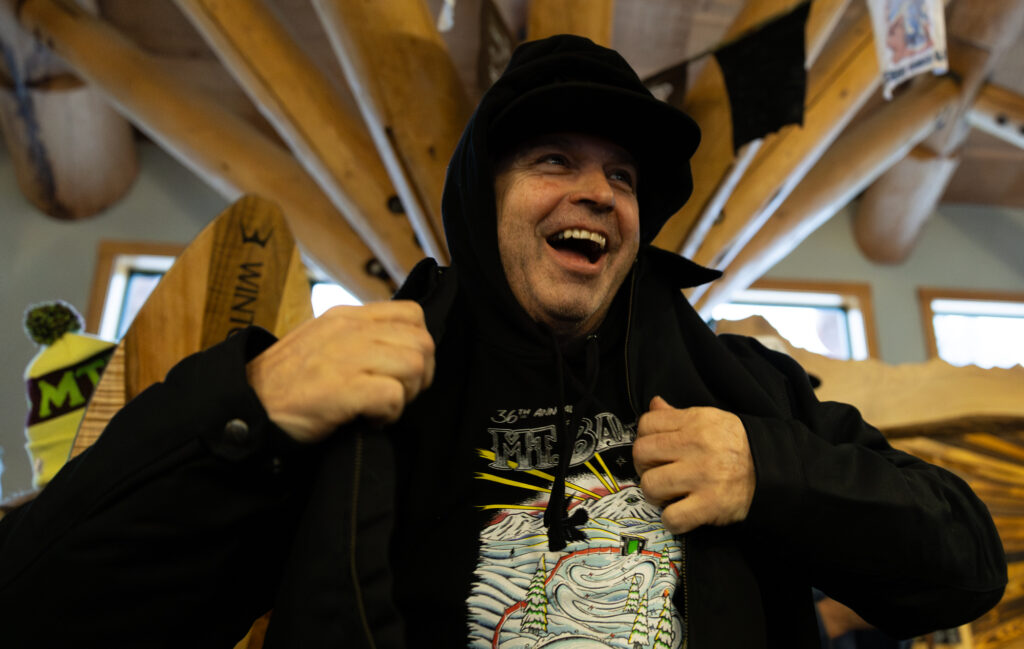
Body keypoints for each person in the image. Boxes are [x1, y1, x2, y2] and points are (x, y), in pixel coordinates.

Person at [0, 35, 1006, 648]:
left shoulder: (736, 383)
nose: (597, 193)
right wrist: (243, 408)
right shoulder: (357, 389)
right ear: (479, 203)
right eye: (552, 159)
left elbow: (963, 564)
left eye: (623, 177)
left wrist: (774, 471)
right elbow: (45, 613)